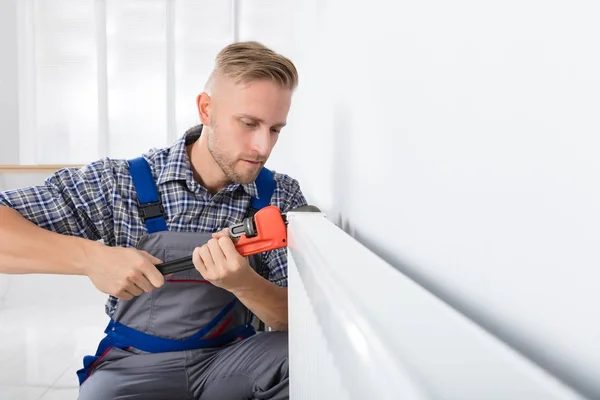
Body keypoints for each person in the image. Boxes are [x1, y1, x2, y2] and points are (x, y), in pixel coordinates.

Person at [0, 41, 307, 400]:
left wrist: (244, 284)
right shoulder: (119, 183)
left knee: (296, 360)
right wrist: (89, 258)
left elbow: (299, 323)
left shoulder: (279, 196)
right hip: (133, 366)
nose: (262, 147)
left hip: (232, 361)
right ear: (206, 110)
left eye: (275, 129)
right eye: (249, 123)